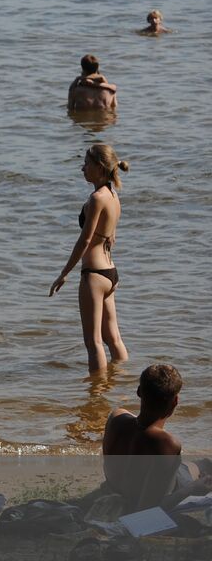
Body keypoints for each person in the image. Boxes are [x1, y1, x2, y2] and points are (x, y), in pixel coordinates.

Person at [50, 145, 130, 372]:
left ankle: (96, 398)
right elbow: (111, 236)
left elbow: (84, 241)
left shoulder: (97, 198)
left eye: (86, 164)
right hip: (111, 273)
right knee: (113, 339)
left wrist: (63, 274)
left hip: (94, 274)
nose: (82, 168)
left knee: (93, 342)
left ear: (100, 167)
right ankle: (122, 381)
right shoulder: (113, 196)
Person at [101, 365, 212, 512]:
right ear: (175, 401)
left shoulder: (116, 417)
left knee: (203, 464)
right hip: (149, 496)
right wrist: (192, 489)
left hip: (115, 488)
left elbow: (139, 432)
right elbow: (148, 509)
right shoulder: (167, 444)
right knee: (204, 467)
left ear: (139, 391)